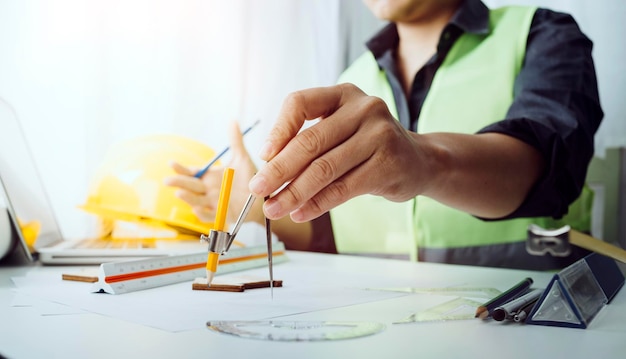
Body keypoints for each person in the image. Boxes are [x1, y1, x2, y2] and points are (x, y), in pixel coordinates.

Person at [166, 0, 603, 270]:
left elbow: (550, 166)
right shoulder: (351, 79)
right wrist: (263, 209)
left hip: (526, 326)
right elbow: (333, 235)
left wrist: (424, 160)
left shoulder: (540, 34)